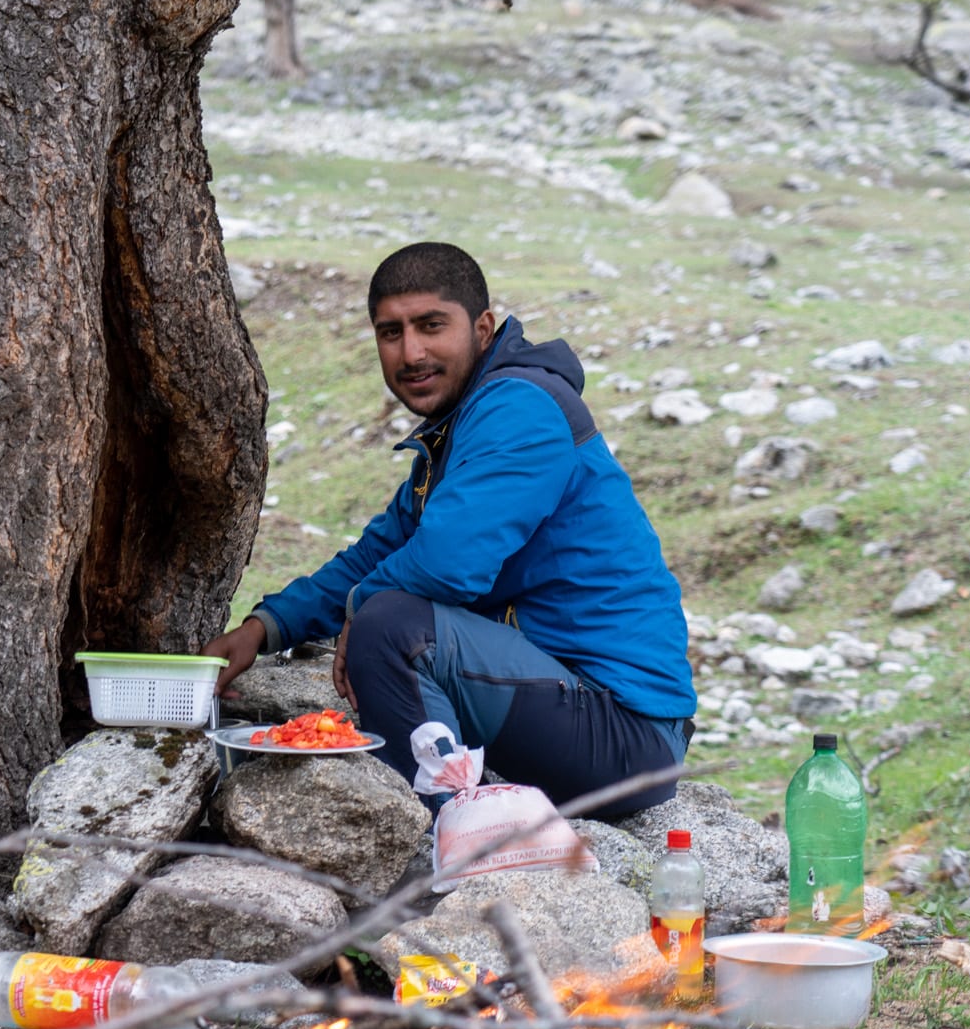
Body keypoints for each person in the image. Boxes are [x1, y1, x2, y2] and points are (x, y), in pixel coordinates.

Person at [203, 242, 695, 818]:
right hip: (573, 706)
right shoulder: (462, 425)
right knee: (384, 607)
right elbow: (381, 554)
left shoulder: (520, 408)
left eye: (431, 326)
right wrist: (266, 627)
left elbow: (445, 564)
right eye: (391, 333)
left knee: (390, 627)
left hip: (624, 733)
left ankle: (446, 836)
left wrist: (363, 611)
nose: (411, 352)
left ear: (483, 327)